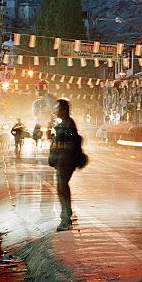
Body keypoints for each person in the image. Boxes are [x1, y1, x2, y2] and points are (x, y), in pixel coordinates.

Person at [49, 99, 82, 231]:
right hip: (62, 160)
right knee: (61, 188)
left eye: (58, 108)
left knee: (62, 188)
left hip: (66, 160)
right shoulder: (63, 123)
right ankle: (66, 215)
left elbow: (65, 143)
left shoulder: (67, 124)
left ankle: (65, 218)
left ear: (63, 110)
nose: (56, 111)